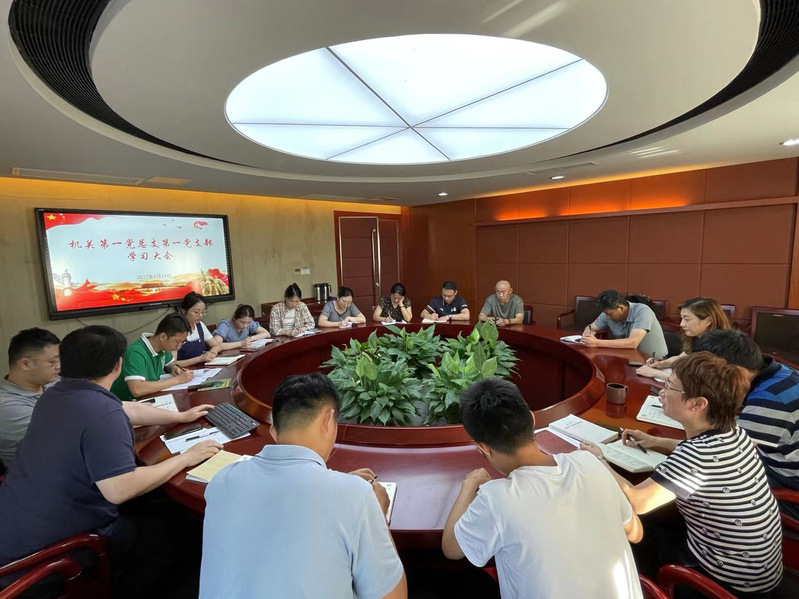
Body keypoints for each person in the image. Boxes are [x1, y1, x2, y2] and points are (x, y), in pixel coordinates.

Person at [0, 325, 221, 597]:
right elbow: (119, 489)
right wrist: (187, 457)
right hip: (46, 558)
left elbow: (125, 408)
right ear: (118, 365)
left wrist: (179, 417)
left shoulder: (53, 395)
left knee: (156, 509)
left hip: (17, 529)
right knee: (189, 534)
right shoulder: (100, 413)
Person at [581, 352, 783, 596]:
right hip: (759, 571)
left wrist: (598, 459)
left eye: (669, 386)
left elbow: (637, 502)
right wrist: (655, 441)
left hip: (721, 582)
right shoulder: (734, 432)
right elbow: (700, 454)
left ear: (697, 404)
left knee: (625, 526)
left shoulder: (696, 455)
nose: (662, 392)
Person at [200, 373, 406, 598]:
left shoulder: (222, 480)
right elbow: (393, 596)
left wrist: (340, 486)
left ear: (273, 430)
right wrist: (377, 514)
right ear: (328, 419)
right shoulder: (356, 496)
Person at [442, 378, 643, 599]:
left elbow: (451, 549)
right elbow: (636, 533)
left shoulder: (496, 498)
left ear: (483, 448)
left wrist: (469, 485)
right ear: (532, 418)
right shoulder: (590, 462)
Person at [694, 329, 799, 519]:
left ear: (734, 370)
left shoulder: (771, 400)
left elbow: (725, 454)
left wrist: (663, 441)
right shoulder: (779, 373)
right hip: (783, 460)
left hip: (790, 486)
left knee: (701, 486)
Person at [0, 328, 60, 470]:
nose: (59, 367)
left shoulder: (52, 382)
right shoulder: (6, 406)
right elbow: (64, 437)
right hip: (40, 475)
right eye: (53, 362)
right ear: (25, 364)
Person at [636, 297, 731, 379]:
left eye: (687, 319)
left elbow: (700, 381)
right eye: (682, 318)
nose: (682, 324)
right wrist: (660, 364)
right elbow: (681, 358)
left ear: (707, 321)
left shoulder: (721, 345)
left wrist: (655, 373)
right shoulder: (696, 337)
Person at [110, 313, 195, 401]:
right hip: (124, 402)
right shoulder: (135, 352)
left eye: (182, 342)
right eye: (177, 342)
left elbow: (170, 364)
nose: (179, 346)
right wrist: (177, 380)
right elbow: (137, 389)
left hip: (148, 398)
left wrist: (174, 368)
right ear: (163, 337)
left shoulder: (163, 348)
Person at [582, 289, 668, 358]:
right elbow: (590, 327)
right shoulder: (608, 313)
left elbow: (632, 342)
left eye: (610, 314)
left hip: (655, 361)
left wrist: (596, 342)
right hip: (631, 359)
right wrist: (588, 335)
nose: (607, 317)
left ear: (621, 308)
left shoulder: (642, 311)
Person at [175, 292, 221, 366]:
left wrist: (212, 353)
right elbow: (171, 364)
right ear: (184, 311)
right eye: (196, 312)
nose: (200, 315)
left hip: (201, 368)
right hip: (183, 370)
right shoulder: (175, 328)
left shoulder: (200, 325)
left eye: (203, 312)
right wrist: (199, 359)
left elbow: (216, 345)